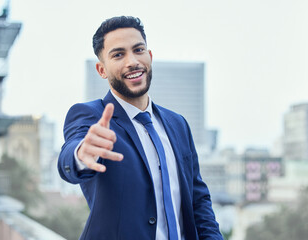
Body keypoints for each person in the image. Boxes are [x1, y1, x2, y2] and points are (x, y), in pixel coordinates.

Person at [58, 16, 223, 240]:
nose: (132, 61)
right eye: (118, 54)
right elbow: (71, 154)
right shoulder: (91, 116)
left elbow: (198, 199)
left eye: (138, 50)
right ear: (101, 69)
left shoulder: (178, 124)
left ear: (150, 57)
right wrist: (81, 153)